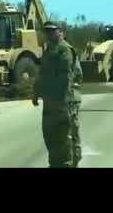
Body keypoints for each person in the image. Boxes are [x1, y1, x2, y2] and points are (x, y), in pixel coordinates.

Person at [32, 21, 82, 168]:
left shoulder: (64, 50)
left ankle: (69, 163)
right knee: (50, 134)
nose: (49, 34)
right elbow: (42, 74)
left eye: (52, 31)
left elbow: (66, 76)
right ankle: (55, 163)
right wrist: (36, 93)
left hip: (65, 100)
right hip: (51, 100)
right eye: (46, 31)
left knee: (65, 134)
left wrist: (63, 100)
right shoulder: (49, 50)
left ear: (60, 32)